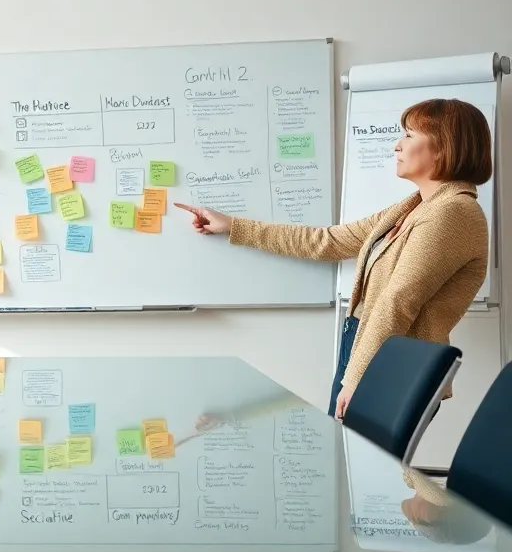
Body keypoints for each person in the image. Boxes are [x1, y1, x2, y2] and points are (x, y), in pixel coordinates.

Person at [176, 98, 491, 420]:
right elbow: (329, 241)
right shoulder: (414, 208)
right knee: (348, 464)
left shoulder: (453, 213)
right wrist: (233, 225)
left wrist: (358, 378)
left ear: (443, 147)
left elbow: (398, 300)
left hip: (393, 363)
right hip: (369, 348)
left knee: (361, 465)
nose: (397, 145)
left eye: (409, 135)